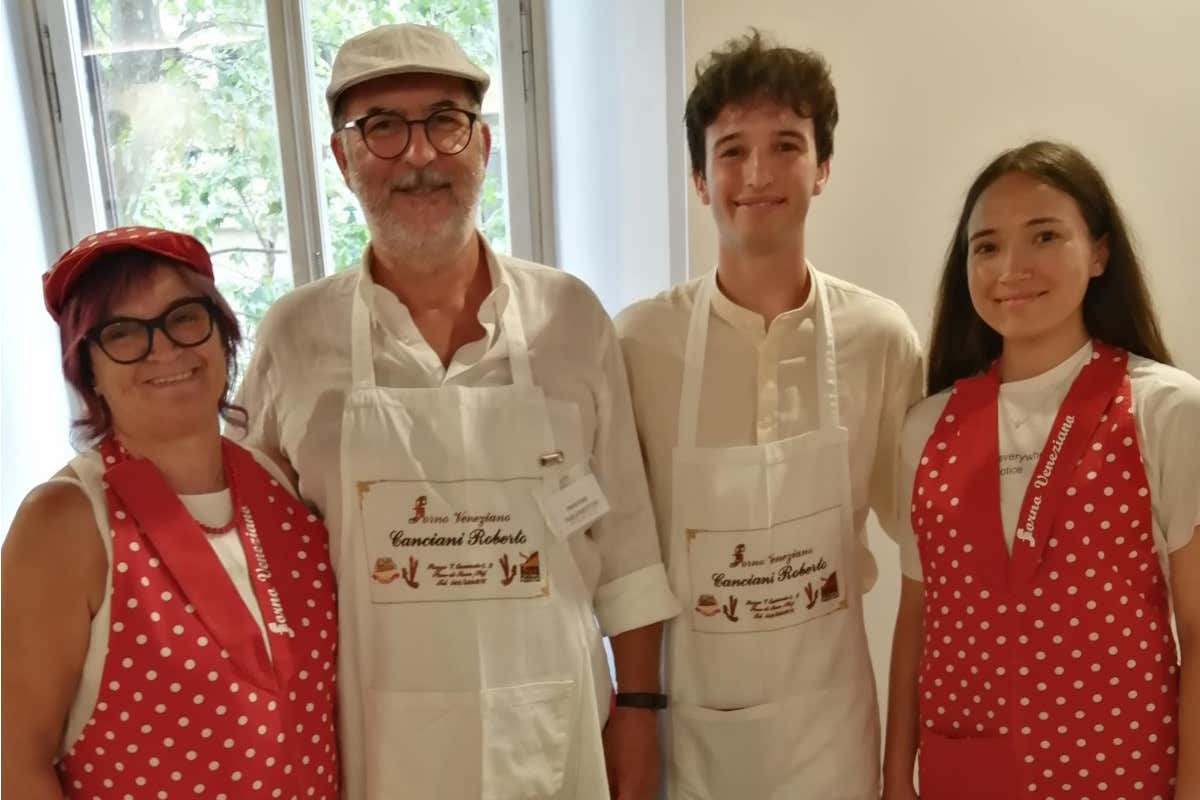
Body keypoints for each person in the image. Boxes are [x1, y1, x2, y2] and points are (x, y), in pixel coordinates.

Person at [233, 23, 680, 800]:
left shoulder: (569, 317)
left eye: (445, 120)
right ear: (341, 158)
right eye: (382, 127)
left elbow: (628, 543)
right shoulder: (294, 337)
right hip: (375, 743)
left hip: (554, 727)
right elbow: (249, 558)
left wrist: (638, 711)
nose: (418, 155)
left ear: (483, 143)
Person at [615, 30, 924, 799]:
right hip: (688, 734)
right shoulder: (637, 343)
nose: (757, 174)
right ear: (697, 177)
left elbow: (930, 553)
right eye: (730, 152)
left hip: (831, 736)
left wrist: (908, 764)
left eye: (786, 145)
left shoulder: (878, 338)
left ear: (822, 169)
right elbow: (621, 561)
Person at [882, 140, 1200, 800]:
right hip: (965, 769)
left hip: (1121, 769)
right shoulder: (928, 427)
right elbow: (917, 615)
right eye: (987, 246)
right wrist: (894, 777)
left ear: (1100, 252)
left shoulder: (1164, 409)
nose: (1012, 267)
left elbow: (1198, 628)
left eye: (1045, 236)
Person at [0, 226, 339, 799]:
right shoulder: (65, 523)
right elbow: (12, 760)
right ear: (89, 371)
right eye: (123, 333)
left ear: (222, 334)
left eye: (184, 317)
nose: (164, 349)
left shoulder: (281, 484)